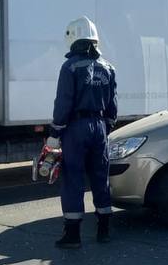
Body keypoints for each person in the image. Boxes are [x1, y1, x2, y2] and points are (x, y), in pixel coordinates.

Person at [47, 16, 118, 249]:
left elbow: (63, 102)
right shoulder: (108, 68)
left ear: (72, 38)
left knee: (73, 178)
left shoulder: (69, 67)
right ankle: (105, 230)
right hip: (99, 127)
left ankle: (73, 235)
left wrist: (55, 131)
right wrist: (105, 127)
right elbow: (112, 105)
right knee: (100, 177)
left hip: (76, 128)